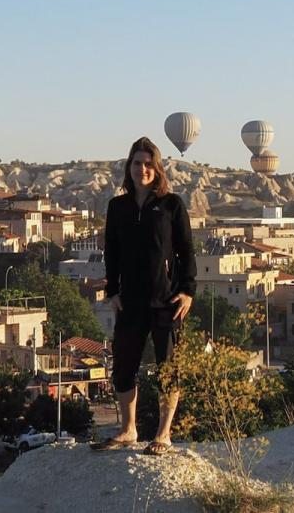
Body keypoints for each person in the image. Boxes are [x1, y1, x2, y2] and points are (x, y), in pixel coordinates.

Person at [92, 136, 196, 455]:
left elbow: (186, 250)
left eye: (149, 164)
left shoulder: (171, 205)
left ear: (158, 168)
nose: (143, 169)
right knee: (124, 366)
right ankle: (128, 430)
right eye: (138, 163)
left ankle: (163, 434)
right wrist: (112, 291)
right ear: (130, 167)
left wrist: (188, 292)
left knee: (168, 368)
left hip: (166, 301)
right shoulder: (117, 207)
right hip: (130, 300)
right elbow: (111, 252)